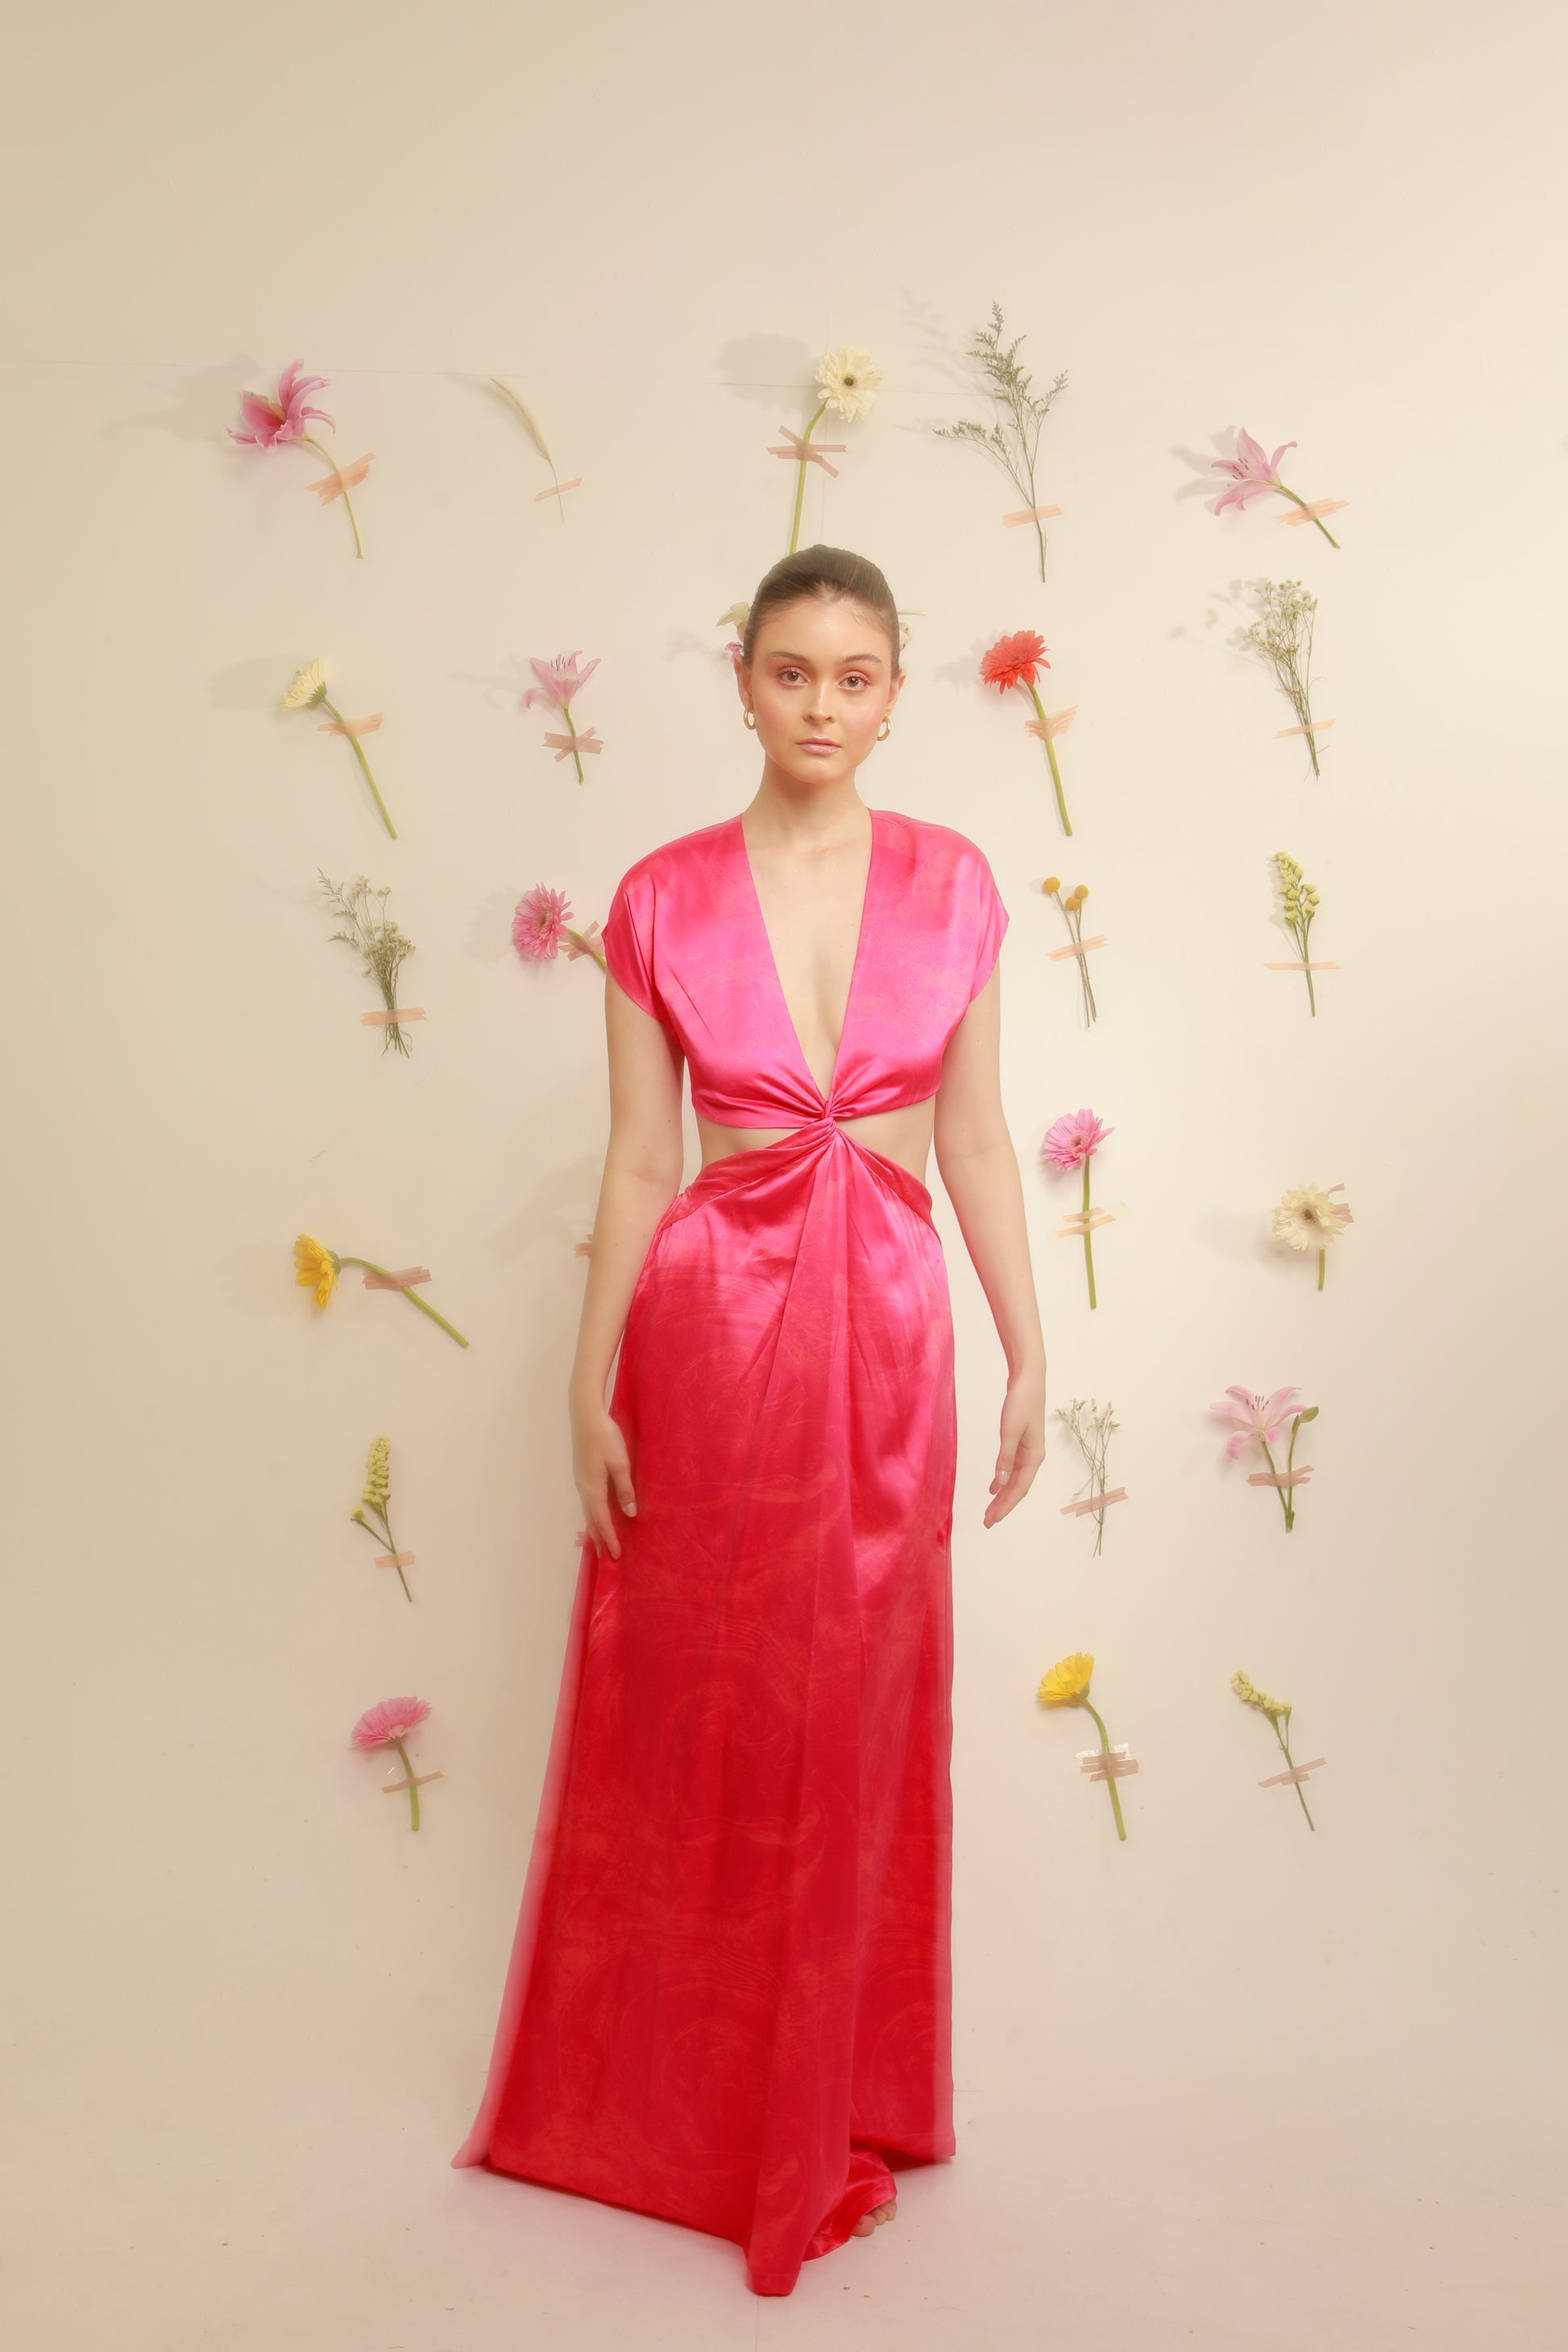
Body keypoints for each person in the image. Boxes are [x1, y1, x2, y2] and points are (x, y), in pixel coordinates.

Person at [450, 544, 1047, 2295]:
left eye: (854, 676)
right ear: (742, 683)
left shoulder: (954, 883)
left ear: (893, 694)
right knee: (708, 1695)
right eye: (791, 671)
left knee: (857, 1701)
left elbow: (975, 1138)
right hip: (709, 1326)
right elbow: (642, 1160)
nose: (820, 705)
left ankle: (835, 2088)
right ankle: (700, 2103)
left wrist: (1030, 1349)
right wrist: (584, 1379)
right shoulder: (659, 895)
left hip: (890, 1330)